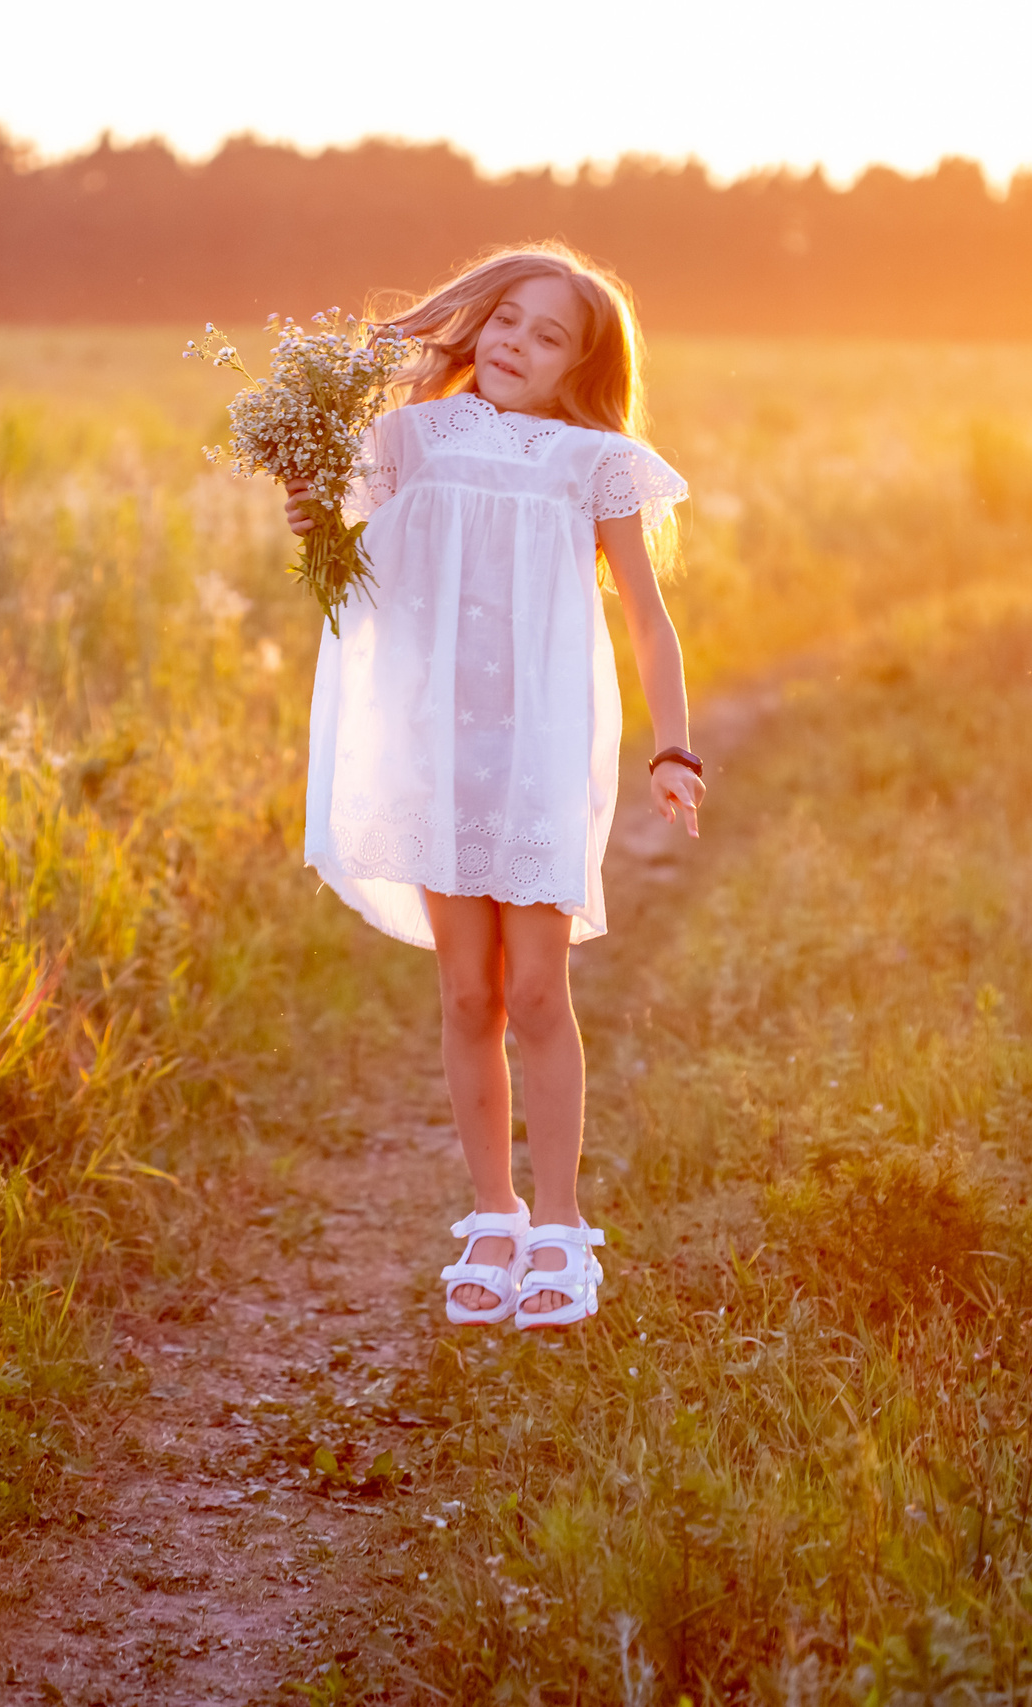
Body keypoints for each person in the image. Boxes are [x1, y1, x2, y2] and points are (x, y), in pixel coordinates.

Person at [280, 244, 703, 1329]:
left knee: (536, 993)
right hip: (437, 751)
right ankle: (492, 1215)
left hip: (541, 751)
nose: (516, 342)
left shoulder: (595, 462)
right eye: (505, 319)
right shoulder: (411, 438)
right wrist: (310, 512)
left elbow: (646, 617)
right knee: (466, 994)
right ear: (476, 327)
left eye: (547, 334)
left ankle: (560, 1231)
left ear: (579, 366)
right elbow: (350, 561)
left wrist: (674, 747)